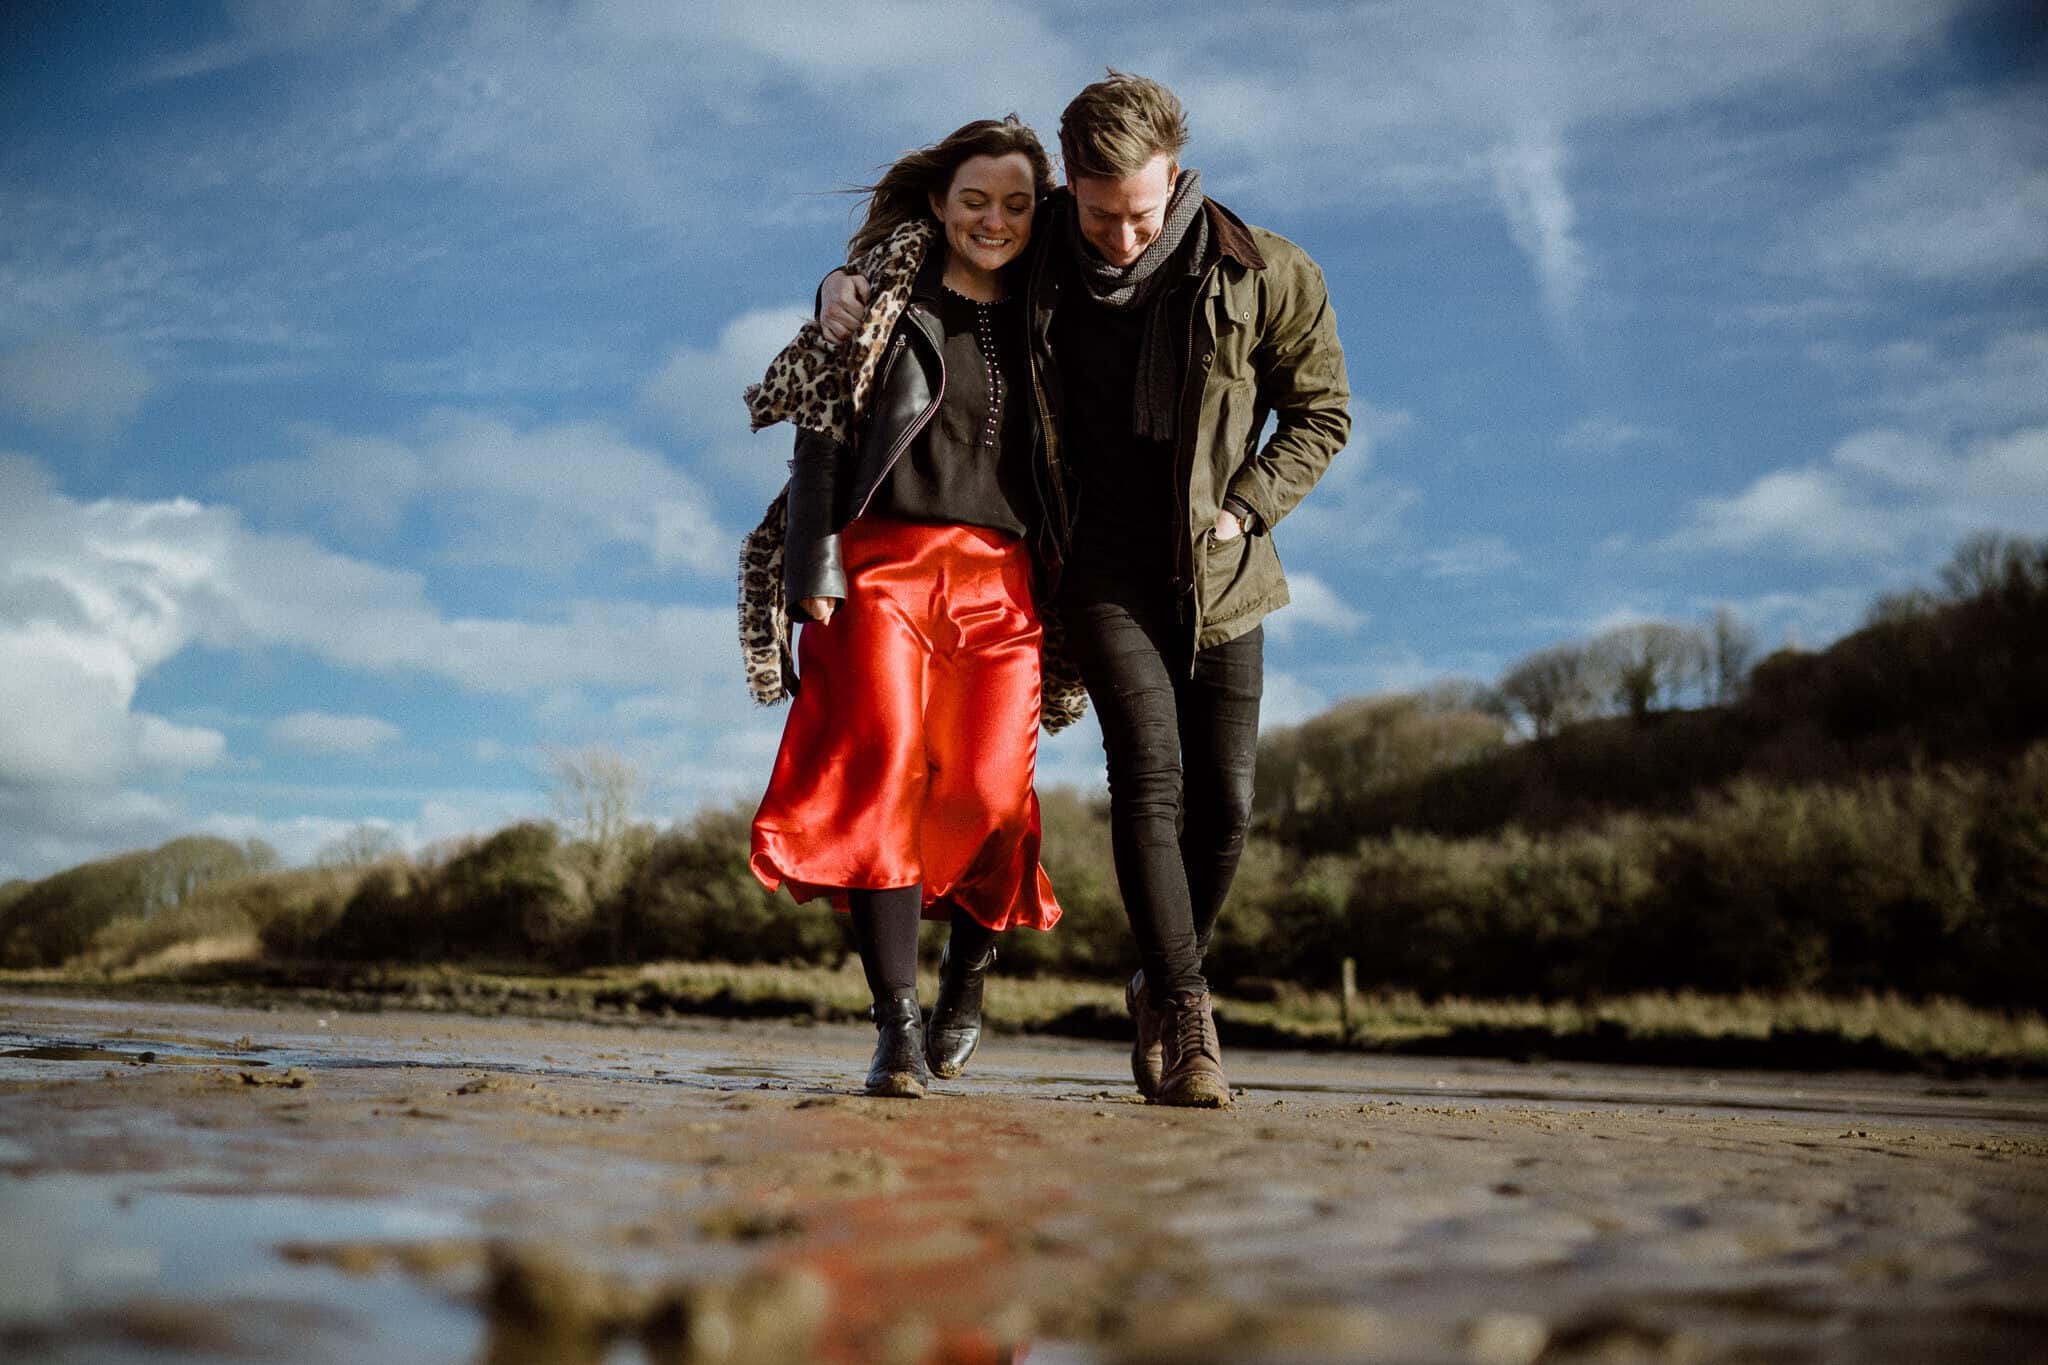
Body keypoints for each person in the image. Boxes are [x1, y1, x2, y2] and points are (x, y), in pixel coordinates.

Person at [819, 73, 1350, 1107]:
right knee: (1148, 778)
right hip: (1094, 565)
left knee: (1227, 807)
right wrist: (834, 287)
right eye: (1098, 213)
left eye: (1139, 216)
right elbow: (926, 256)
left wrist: (1244, 506)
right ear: (1070, 186)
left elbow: (1320, 414)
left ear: (1176, 180)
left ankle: (1155, 979)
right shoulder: (1042, 241)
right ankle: (1191, 1022)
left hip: (1220, 568)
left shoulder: (1265, 271)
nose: (1117, 236)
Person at [743, 117, 1072, 1099]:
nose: (993, 219)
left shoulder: (1055, 312)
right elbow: (820, 436)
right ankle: (895, 1028)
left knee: (989, 791)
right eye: (974, 199)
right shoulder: (879, 307)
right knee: (881, 778)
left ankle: (965, 981)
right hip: (880, 566)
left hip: (1002, 581)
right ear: (938, 202)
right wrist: (813, 562)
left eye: (1015, 203)